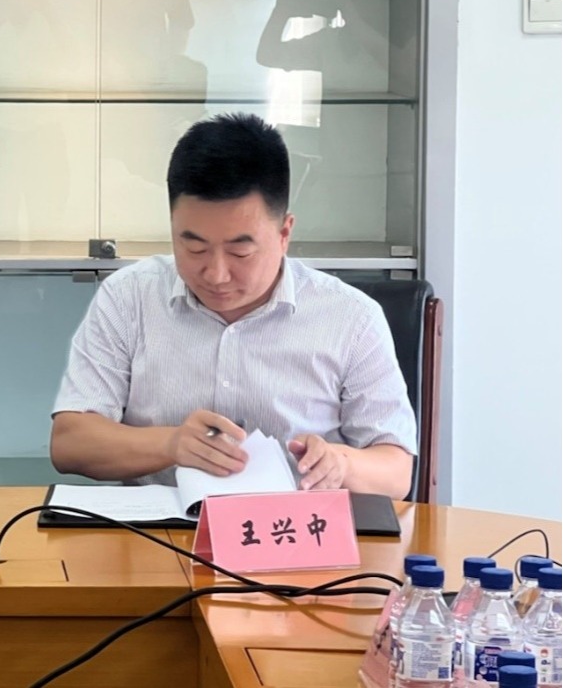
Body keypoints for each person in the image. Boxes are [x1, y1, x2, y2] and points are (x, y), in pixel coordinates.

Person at [49, 113, 416, 498]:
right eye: (194, 247)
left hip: (292, 530)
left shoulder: (351, 317)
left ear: (284, 233)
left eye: (240, 251)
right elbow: (70, 442)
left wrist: (342, 465)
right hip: (156, 529)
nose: (216, 274)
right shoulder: (129, 298)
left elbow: (396, 472)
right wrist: (169, 444)